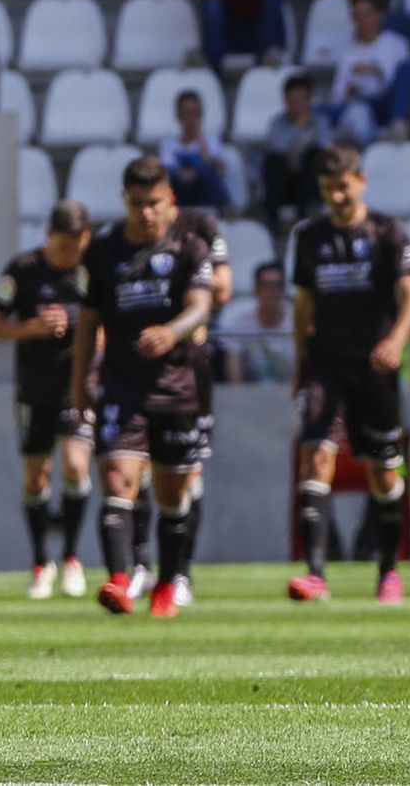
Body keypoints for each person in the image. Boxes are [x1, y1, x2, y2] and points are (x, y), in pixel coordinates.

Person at [72, 156, 215, 618]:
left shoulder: (190, 248)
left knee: (173, 494)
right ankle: (118, 580)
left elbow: (200, 306)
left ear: (169, 199)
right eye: (137, 204)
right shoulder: (103, 252)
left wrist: (172, 332)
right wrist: (79, 382)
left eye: (153, 203)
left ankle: (167, 589)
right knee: (117, 480)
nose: (146, 213)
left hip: (176, 389)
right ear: (124, 201)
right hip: (121, 386)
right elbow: (88, 323)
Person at [287, 146, 410, 604]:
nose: (337, 196)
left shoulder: (388, 231)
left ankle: (388, 571)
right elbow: (304, 305)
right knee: (316, 458)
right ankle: (316, 575)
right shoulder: (308, 235)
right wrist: (300, 364)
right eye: (328, 189)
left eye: (343, 186)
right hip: (326, 364)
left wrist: (396, 342)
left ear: (361, 181)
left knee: (384, 474)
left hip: (374, 366)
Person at [0, 200, 94, 600]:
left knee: (74, 464)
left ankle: (71, 557)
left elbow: (104, 325)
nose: (72, 255)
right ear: (50, 236)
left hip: (75, 384)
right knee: (36, 476)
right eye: (66, 246)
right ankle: (39, 561)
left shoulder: (89, 271)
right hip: (34, 387)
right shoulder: (22, 270)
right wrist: (33, 327)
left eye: (78, 246)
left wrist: (91, 339)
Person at [159, 195, 234, 607]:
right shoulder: (125, 239)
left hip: (188, 368)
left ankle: (181, 572)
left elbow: (222, 288)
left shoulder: (199, 229)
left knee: (188, 471)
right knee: (132, 470)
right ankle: (136, 566)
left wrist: (190, 304)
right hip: (139, 367)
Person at [331, 0, 410, 145]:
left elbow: (402, 85)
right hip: (360, 105)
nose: (365, 20)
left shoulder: (397, 43)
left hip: (387, 105)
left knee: (407, 68)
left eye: (368, 14)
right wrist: (349, 91)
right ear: (353, 20)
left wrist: (376, 72)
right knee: (350, 111)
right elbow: (337, 96)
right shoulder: (347, 54)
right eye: (358, 16)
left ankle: (399, 123)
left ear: (379, 14)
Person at [262, 76, 329, 237]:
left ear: (309, 100)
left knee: (314, 157)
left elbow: (326, 147)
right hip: (285, 181)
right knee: (274, 162)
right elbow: (275, 148)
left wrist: (299, 144)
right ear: (285, 100)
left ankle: (308, 215)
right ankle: (273, 221)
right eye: (292, 100)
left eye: (301, 99)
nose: (297, 105)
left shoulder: (320, 122)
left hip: (309, 181)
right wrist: (300, 136)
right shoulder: (277, 124)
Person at [220, 261, 293, 383]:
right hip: (252, 398)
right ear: (256, 290)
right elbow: (234, 380)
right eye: (266, 285)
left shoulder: (298, 323)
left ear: (284, 290)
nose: (272, 292)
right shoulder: (237, 326)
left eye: (277, 286)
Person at [158, 91, 231, 209]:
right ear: (178, 116)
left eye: (196, 113)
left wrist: (201, 141)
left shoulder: (211, 141)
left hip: (202, 191)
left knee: (209, 170)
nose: (192, 118)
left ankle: (225, 209)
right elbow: (169, 172)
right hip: (179, 191)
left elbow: (220, 171)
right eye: (187, 113)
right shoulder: (168, 145)